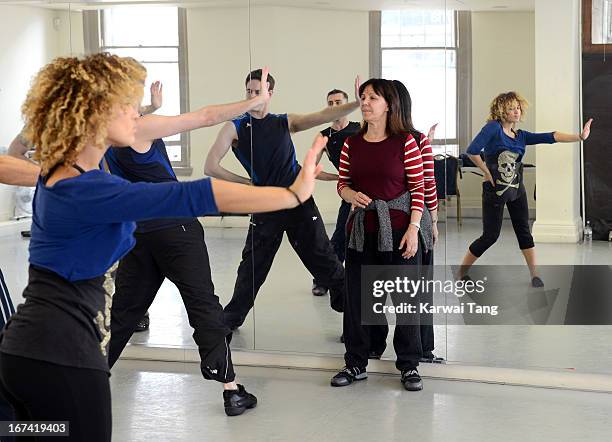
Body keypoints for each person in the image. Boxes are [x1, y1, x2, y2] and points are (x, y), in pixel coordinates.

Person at [0, 53, 327, 440]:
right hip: (63, 358)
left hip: (22, 352)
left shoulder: (57, 175)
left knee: (32, 433)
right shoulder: (90, 188)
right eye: (128, 107)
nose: (136, 115)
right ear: (95, 116)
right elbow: (192, 196)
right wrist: (292, 194)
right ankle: (229, 384)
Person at [105, 71, 277, 404]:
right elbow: (206, 116)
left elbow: (127, 125)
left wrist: (150, 107)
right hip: (176, 228)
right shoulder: (138, 128)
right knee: (202, 304)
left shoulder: (104, 131)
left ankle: (87, 379)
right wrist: (255, 101)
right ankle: (231, 389)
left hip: (139, 233)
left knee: (124, 313)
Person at [205, 69, 360, 330]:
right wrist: (248, 184)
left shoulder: (283, 121)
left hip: (299, 201)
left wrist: (355, 103)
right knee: (252, 267)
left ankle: (353, 317)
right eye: (249, 91)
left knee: (325, 260)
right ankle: (229, 321)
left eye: (258, 92)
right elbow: (211, 166)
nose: (253, 96)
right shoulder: (236, 126)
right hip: (265, 205)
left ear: (270, 94)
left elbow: (322, 116)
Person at [330, 78, 434, 391]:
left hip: (401, 231)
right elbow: (342, 182)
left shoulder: (404, 142)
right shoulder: (352, 143)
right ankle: (355, 362)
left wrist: (415, 228)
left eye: (372, 97)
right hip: (363, 231)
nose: (365, 102)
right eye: (363, 97)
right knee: (361, 301)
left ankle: (409, 365)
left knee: (406, 302)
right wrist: (349, 196)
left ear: (387, 104)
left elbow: (418, 189)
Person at [458, 92, 593, 287]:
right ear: (502, 110)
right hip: (494, 191)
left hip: (516, 191)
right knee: (490, 236)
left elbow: (550, 136)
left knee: (524, 232)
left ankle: (534, 274)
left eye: (518, 108)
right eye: (512, 108)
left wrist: (579, 136)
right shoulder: (493, 129)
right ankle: (462, 271)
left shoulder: (520, 136)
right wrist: (486, 172)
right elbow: (472, 150)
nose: (517, 111)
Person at [391, 80, 443, 364]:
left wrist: (432, 221)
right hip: (395, 219)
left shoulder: (417, 139)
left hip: (415, 220)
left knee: (417, 289)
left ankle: (422, 349)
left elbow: (427, 183)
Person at [310, 89, 361, 297]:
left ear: (347, 104)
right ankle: (323, 279)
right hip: (348, 191)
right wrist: (337, 178)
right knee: (341, 234)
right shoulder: (324, 136)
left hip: (371, 189)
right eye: (330, 103)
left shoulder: (361, 129)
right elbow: (311, 170)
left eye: (338, 102)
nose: (334, 106)